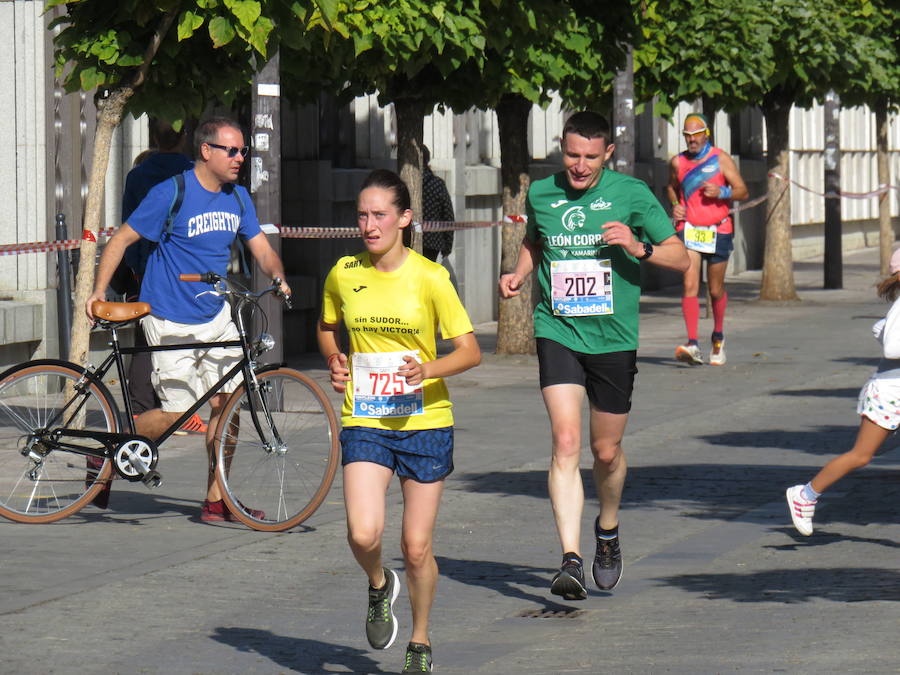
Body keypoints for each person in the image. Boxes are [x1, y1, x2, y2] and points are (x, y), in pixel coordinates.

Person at [499, 111, 689, 601]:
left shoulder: (631, 195)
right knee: (565, 441)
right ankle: (570, 558)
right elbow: (535, 242)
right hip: (557, 328)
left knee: (605, 451)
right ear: (561, 149)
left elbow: (680, 256)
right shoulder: (542, 192)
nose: (579, 166)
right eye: (571, 155)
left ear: (607, 154)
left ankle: (607, 528)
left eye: (589, 157)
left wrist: (637, 246)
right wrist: (519, 274)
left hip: (613, 337)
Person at [86, 117, 291, 524]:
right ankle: (107, 449)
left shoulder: (238, 199)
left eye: (243, 151)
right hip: (168, 316)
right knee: (181, 412)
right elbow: (123, 239)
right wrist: (97, 293)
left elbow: (262, 249)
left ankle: (218, 499)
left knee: (228, 404)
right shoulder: (173, 192)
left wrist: (279, 277)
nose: (240, 158)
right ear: (206, 151)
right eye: (231, 150)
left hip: (217, 316)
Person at [317, 169, 480, 672]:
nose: (369, 225)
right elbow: (326, 327)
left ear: (404, 218)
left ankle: (421, 639)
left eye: (379, 215)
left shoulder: (431, 277)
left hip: (426, 421)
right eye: (362, 215)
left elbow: (470, 351)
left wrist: (426, 369)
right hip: (365, 418)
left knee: (416, 546)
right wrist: (335, 359)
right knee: (364, 534)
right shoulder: (344, 272)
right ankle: (377, 583)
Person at [787, 249, 900, 536]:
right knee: (861, 456)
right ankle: (806, 495)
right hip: (889, 392)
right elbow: (890, 346)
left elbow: (881, 330)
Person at [119, 119, 204, 434]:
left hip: (147, 268)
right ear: (185, 137)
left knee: (146, 337)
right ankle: (183, 408)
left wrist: (136, 268)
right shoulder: (195, 174)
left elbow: (128, 226)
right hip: (187, 269)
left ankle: (141, 408)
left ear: (153, 136)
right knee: (192, 334)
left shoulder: (137, 176)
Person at [667, 112, 748, 366]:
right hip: (690, 230)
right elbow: (671, 187)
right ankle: (692, 343)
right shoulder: (677, 163)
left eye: (696, 134)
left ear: (706, 134)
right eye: (687, 135)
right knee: (690, 285)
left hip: (718, 229)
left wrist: (722, 191)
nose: (691, 140)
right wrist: (675, 205)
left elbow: (742, 191)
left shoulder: (720, 159)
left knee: (715, 289)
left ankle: (718, 336)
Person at [421, 146, 455, 263]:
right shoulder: (438, 184)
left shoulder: (404, 183)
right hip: (432, 242)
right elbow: (448, 216)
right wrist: (447, 247)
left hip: (407, 240)